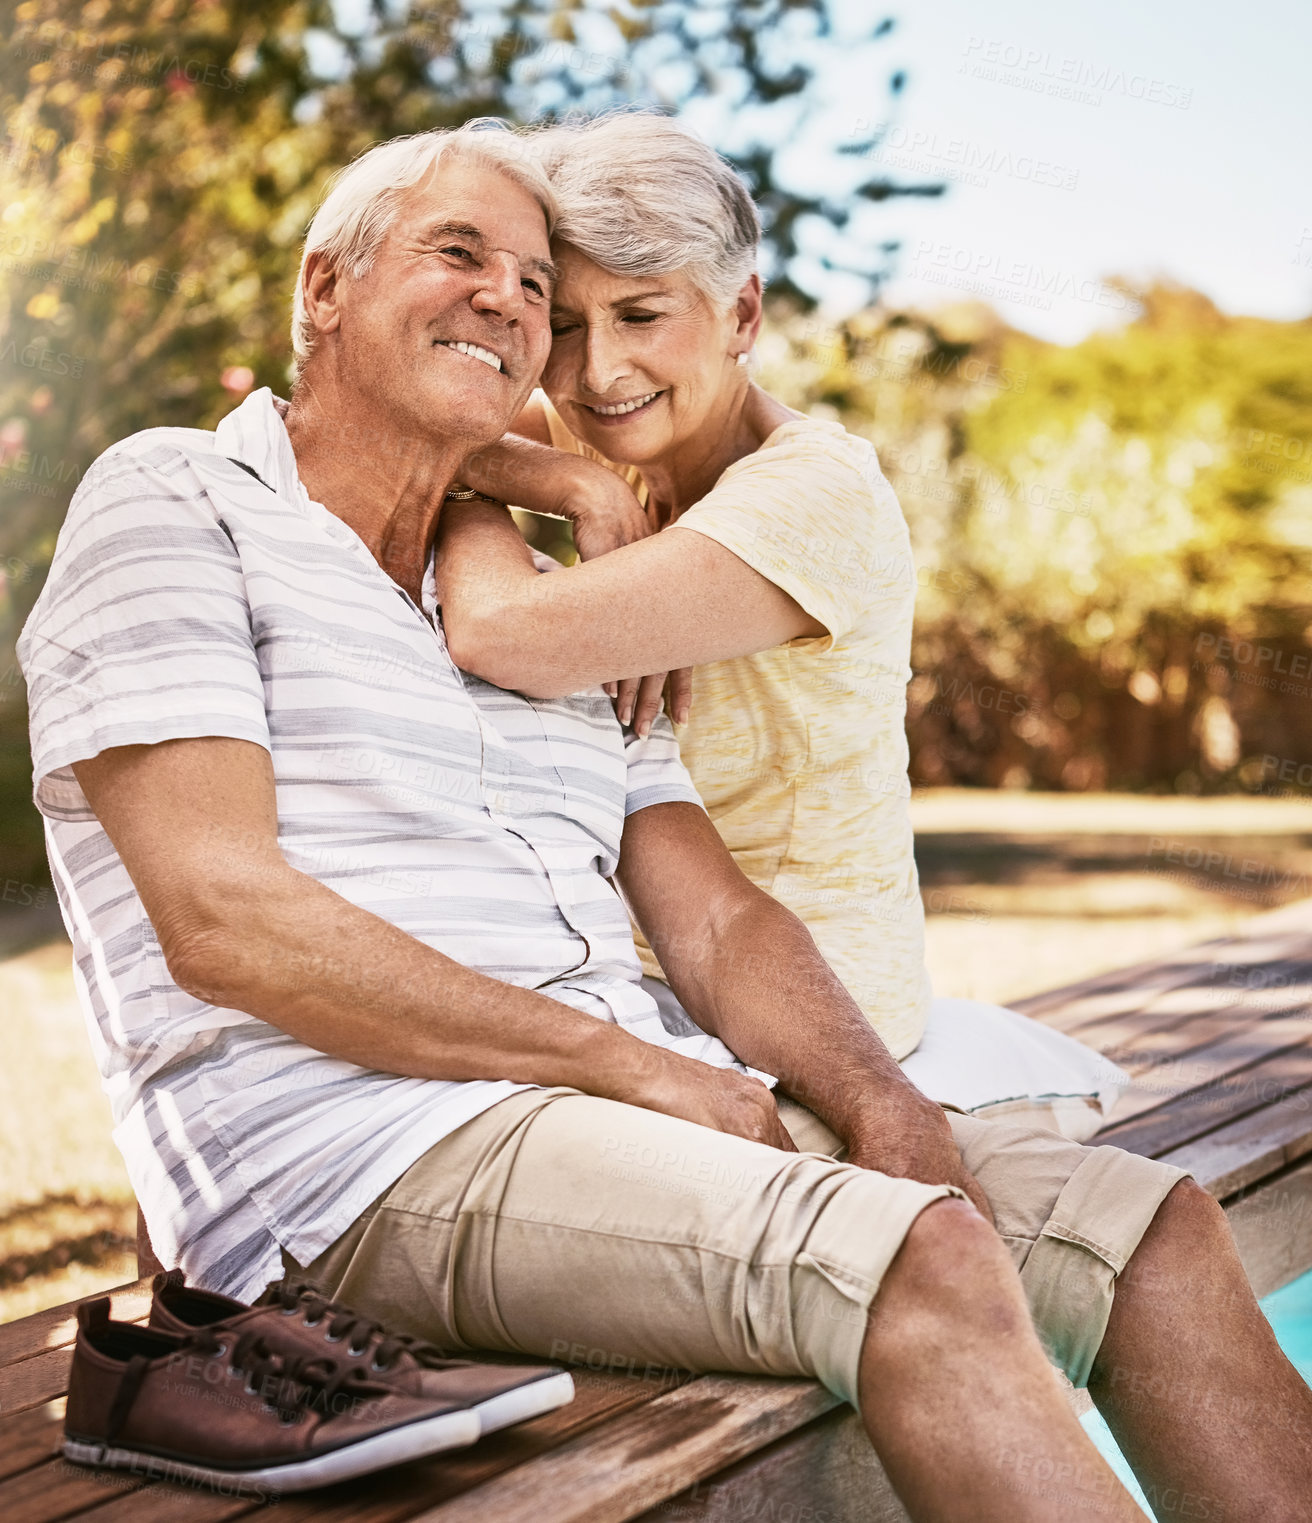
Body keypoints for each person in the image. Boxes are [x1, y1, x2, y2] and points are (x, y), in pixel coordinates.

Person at [19, 123, 1311, 1523]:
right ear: (325, 287)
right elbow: (225, 922)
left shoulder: (536, 606)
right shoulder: (178, 500)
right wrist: (623, 1063)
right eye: (463, 254)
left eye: (534, 280)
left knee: (1151, 1233)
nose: (514, 303)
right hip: (359, 1161)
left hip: (620, 1106)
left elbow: (709, 911)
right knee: (922, 1261)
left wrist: (883, 1101)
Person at [436, 111, 1124, 1137]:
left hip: (811, 1020)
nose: (596, 373)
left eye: (642, 315)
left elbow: (501, 632)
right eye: (565, 324)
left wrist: (477, 489)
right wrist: (556, 474)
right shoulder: (609, 440)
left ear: (741, 314)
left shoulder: (817, 494)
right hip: (633, 988)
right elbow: (379, 425)